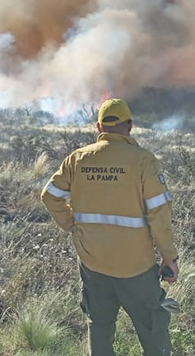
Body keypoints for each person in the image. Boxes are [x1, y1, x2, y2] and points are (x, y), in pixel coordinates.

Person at [40, 98, 179, 356]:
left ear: (98, 127)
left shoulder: (77, 159)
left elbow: (49, 195)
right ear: (130, 126)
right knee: (153, 327)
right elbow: (159, 214)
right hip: (135, 266)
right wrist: (169, 257)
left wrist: (71, 223)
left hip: (92, 263)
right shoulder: (143, 161)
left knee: (100, 326)